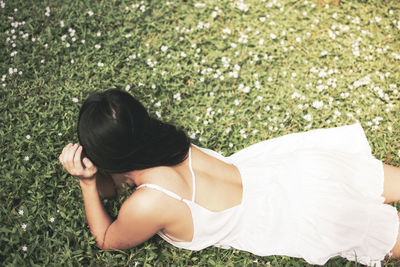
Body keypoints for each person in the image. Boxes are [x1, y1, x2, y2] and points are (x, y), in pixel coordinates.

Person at [59, 89, 400, 266]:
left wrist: (87, 183)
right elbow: (116, 183)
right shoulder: (164, 141)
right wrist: (101, 175)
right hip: (295, 171)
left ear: (110, 158)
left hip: (299, 215)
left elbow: (106, 238)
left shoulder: (150, 202)